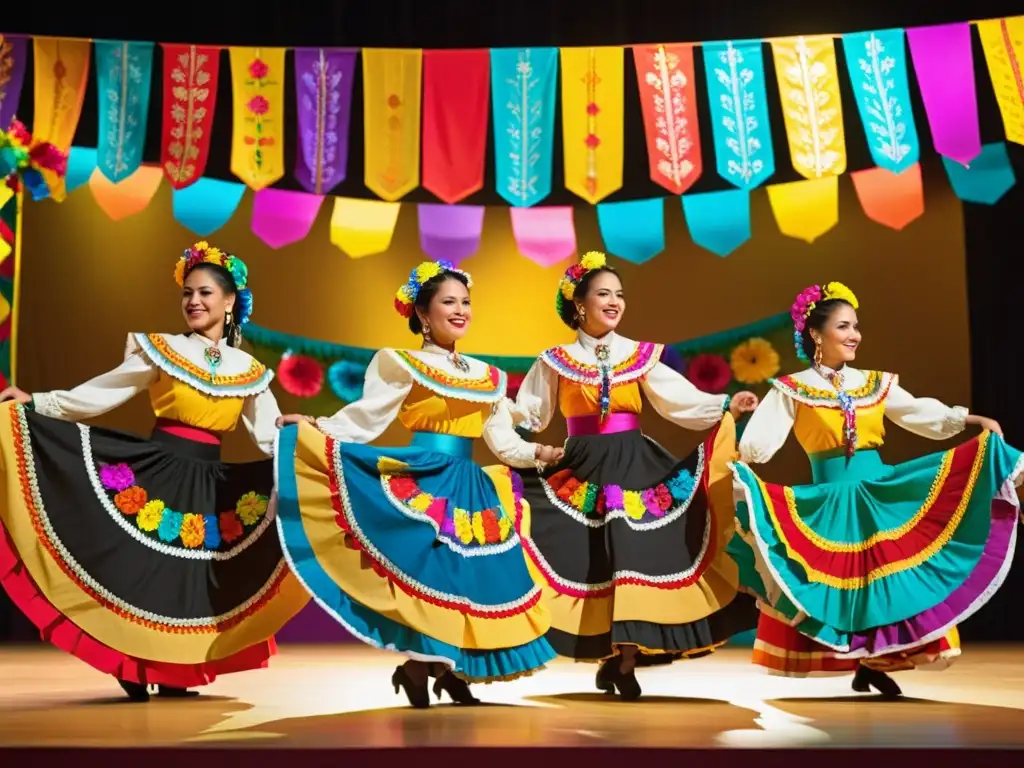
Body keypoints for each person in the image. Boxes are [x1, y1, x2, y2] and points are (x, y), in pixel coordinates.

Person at [0, 241, 309, 702]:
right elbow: (103, 393)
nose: (194, 302)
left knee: (191, 582)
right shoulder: (161, 350)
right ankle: (134, 663)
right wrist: (39, 403)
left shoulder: (250, 370)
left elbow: (268, 437)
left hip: (211, 483)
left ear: (229, 303)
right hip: (159, 470)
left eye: (205, 293)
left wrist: (305, 442)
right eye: (187, 293)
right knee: (144, 572)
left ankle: (175, 671)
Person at [274, 259, 559, 709]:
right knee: (429, 575)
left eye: (466, 302)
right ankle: (426, 666)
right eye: (449, 302)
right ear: (423, 314)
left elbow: (501, 439)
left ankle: (434, 668)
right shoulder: (400, 362)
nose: (461, 310)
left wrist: (539, 453)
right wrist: (315, 425)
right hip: (423, 479)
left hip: (469, 485)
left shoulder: (487, 377)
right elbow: (366, 418)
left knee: (464, 581)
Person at [727, 281, 1021, 697]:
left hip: (878, 493)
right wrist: (736, 462)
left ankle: (878, 661)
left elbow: (918, 412)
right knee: (842, 588)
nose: (854, 335)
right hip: (832, 501)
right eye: (844, 326)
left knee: (887, 582)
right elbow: (760, 444)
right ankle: (863, 660)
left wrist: (972, 420)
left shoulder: (873, 383)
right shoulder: (793, 389)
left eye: (856, 326)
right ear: (816, 334)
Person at [493, 250, 760, 701]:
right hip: (581, 465)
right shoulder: (555, 359)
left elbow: (680, 401)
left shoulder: (640, 355)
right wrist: (497, 410)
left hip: (634, 462)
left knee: (636, 552)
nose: (614, 302)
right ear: (579, 304)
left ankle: (626, 657)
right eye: (603, 294)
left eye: (619, 294)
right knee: (591, 558)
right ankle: (612, 654)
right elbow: (530, 414)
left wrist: (724, 406)